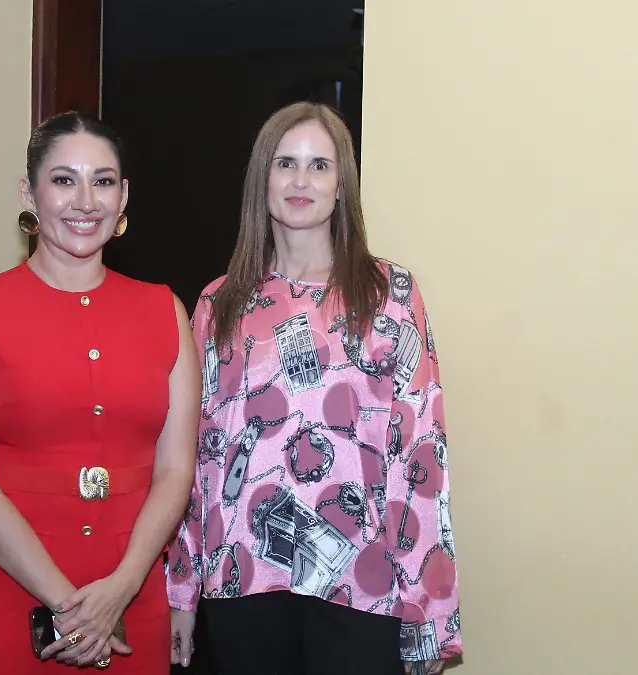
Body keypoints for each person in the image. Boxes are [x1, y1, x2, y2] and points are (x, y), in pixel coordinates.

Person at [166, 102, 462, 675]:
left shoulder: (391, 294)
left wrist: (429, 607)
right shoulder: (216, 303)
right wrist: (181, 589)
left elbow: (421, 449)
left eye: (319, 166)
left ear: (341, 186)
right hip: (241, 581)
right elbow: (198, 460)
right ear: (262, 179)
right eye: (286, 163)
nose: (301, 181)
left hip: (365, 583)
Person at [0, 111, 199, 674]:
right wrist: (75, 611)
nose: (85, 201)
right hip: (3, 602)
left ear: (123, 197)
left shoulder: (165, 311)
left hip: (128, 605)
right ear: (29, 191)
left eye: (102, 181)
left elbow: (175, 472)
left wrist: (117, 591)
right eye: (64, 179)